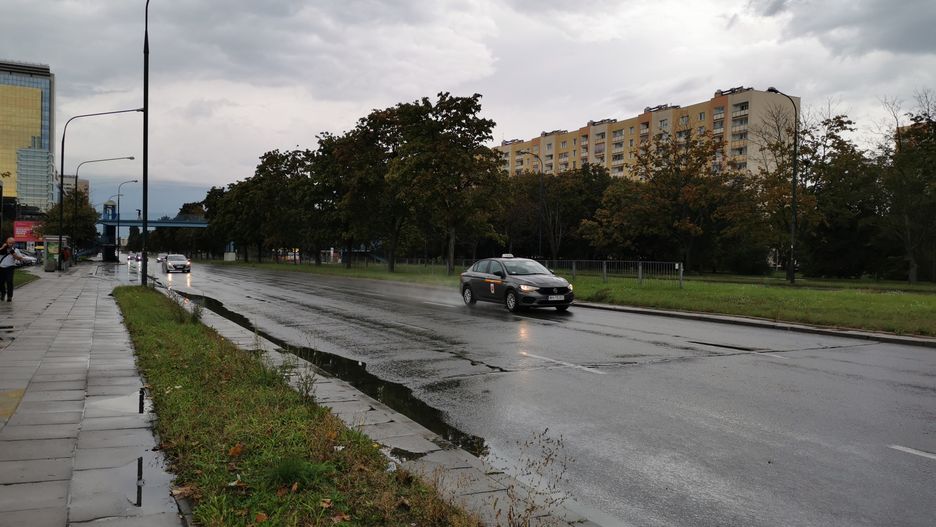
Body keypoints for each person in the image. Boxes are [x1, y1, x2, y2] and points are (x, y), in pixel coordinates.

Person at [0, 237, 26, 302]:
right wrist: (2, 248)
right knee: (0, 282)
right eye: (9, 243)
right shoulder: (2, 248)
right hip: (1, 268)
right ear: (6, 242)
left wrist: (14, 254)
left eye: (12, 243)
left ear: (14, 243)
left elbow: (20, 258)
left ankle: (9, 296)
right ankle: (3, 293)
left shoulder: (15, 250)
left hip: (10, 267)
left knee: (9, 282)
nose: (10, 244)